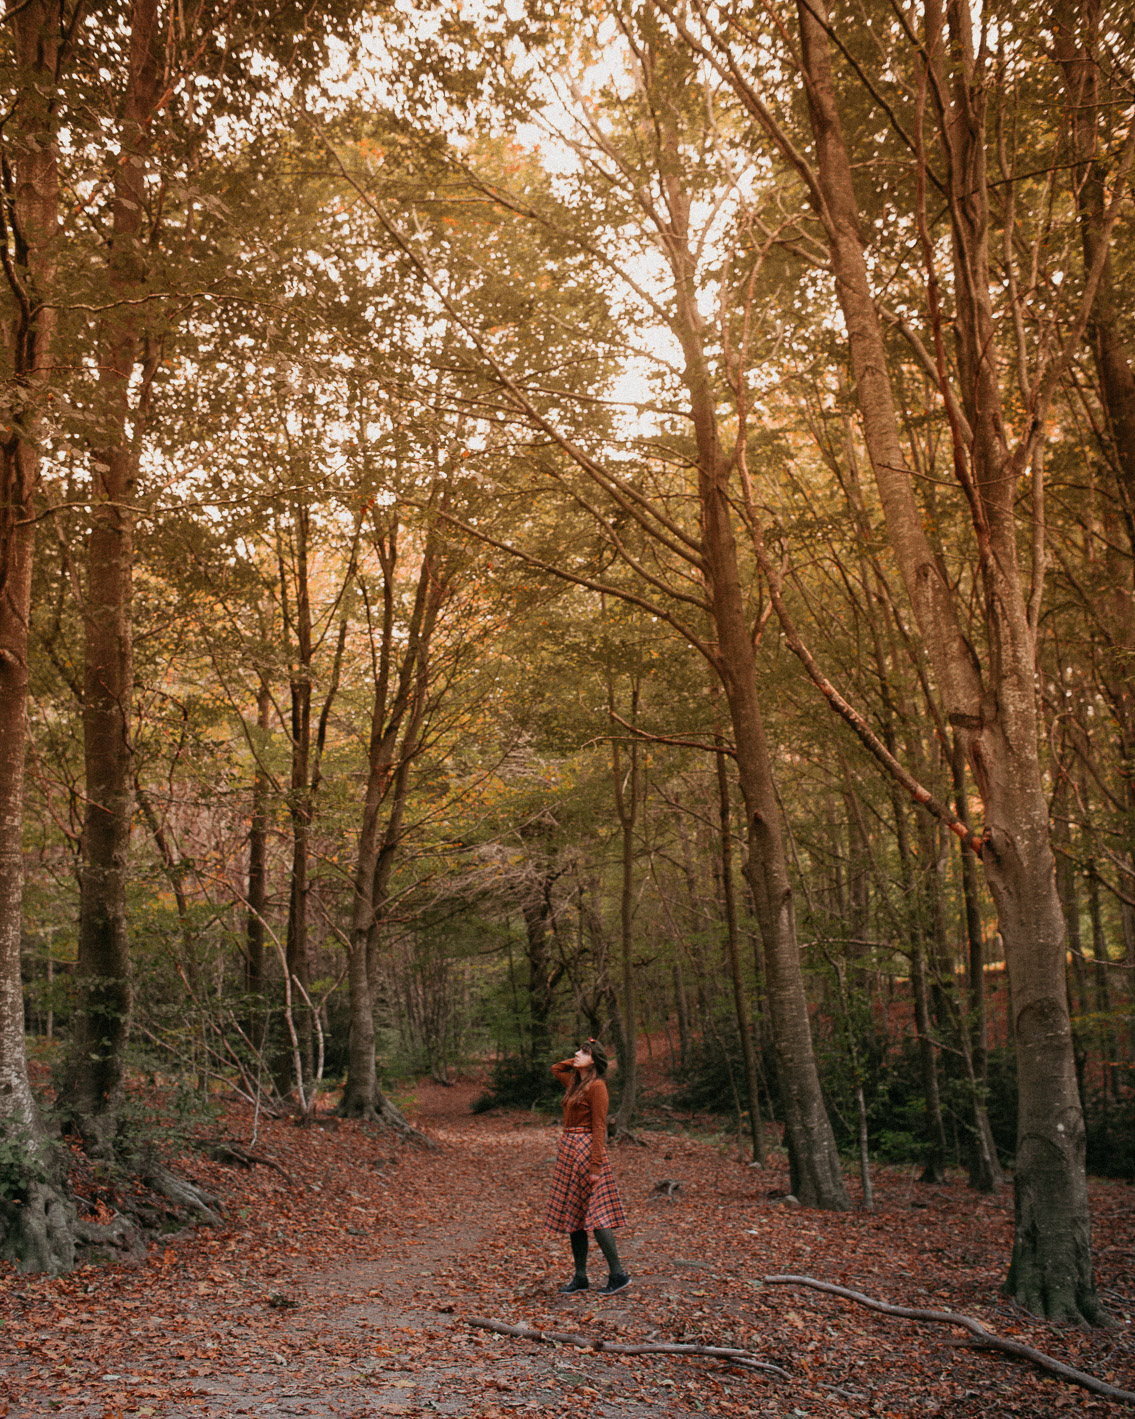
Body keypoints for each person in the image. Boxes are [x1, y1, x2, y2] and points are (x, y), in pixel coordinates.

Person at [544, 1039, 631, 1296]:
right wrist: (581, 1063)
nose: (576, 1054)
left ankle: (618, 1274)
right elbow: (556, 1068)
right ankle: (580, 1277)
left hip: (585, 1151)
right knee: (576, 1216)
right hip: (569, 1150)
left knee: (596, 1213)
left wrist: (595, 1166)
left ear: (595, 1059)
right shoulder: (576, 1083)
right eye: (578, 1051)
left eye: (583, 1052)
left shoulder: (597, 1087)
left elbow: (599, 1127)